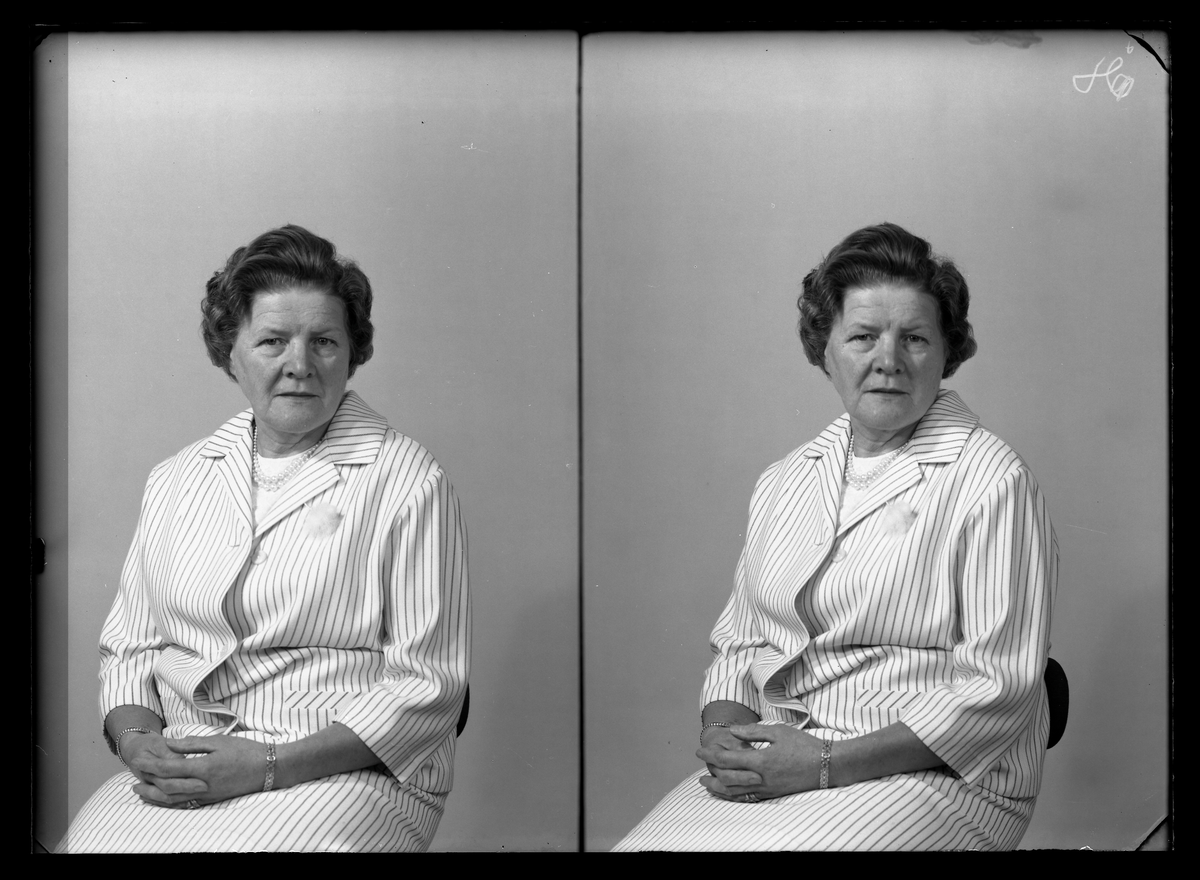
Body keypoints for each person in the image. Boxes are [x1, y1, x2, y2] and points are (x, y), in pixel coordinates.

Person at [615, 223, 1057, 851]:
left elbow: (998, 690)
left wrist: (821, 763)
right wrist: (725, 736)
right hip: (784, 760)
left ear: (948, 352)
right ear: (824, 349)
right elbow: (743, 642)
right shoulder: (786, 478)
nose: (888, 360)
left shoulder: (992, 478)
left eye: (914, 338)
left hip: (938, 779)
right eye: (863, 336)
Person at [57, 225, 470, 853]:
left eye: (324, 341)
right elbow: (130, 649)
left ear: (352, 353)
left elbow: (430, 686)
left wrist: (265, 766)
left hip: (344, 774)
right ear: (231, 351)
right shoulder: (176, 478)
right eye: (273, 340)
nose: (300, 365)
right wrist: (140, 744)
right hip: (193, 762)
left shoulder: (409, 478)